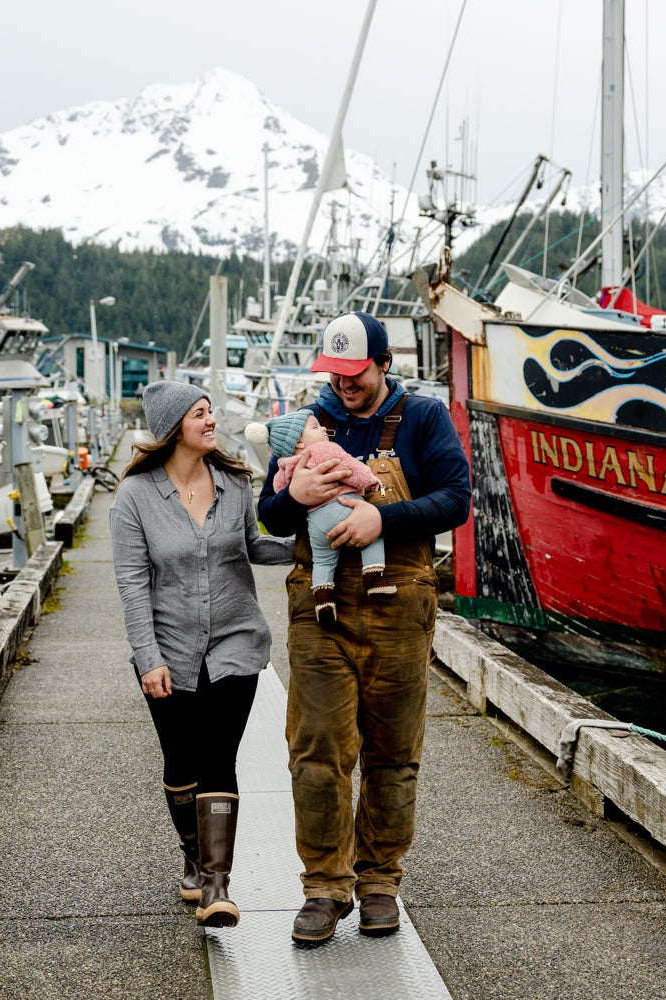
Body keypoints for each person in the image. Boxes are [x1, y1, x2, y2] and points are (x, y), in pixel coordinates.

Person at [257, 311, 471, 945]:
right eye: (335, 375)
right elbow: (270, 518)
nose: (344, 386)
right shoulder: (306, 423)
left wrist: (384, 520)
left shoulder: (424, 418)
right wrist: (294, 499)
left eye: (355, 375)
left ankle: (380, 882)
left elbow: (456, 499)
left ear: (383, 364)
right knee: (317, 749)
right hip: (320, 607)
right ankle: (324, 887)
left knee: (393, 753)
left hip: (399, 602)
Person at [110, 379, 293, 928]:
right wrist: (148, 658)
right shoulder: (135, 496)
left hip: (236, 642)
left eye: (211, 411)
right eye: (199, 414)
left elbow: (255, 545)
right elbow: (131, 583)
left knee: (218, 757)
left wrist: (313, 543)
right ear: (172, 428)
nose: (211, 421)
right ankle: (193, 857)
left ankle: (217, 885)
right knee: (180, 763)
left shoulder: (235, 483)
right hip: (169, 649)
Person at [246, 411, 392, 626]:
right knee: (372, 537)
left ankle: (323, 600)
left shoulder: (285, 464)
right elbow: (350, 468)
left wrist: (293, 495)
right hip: (344, 509)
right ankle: (374, 578)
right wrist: (369, 481)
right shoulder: (325, 448)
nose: (323, 428)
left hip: (316, 523)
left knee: (323, 560)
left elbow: (278, 488)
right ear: (299, 443)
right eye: (315, 427)